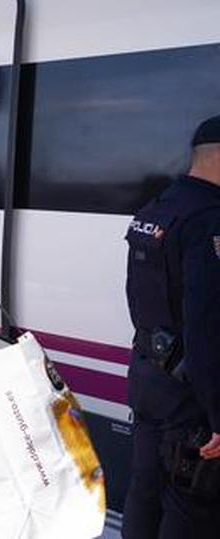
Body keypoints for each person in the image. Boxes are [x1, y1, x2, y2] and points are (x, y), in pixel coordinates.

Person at [122, 115, 220, 538]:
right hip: (188, 394)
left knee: (144, 492)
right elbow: (206, 326)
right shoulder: (210, 219)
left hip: (148, 375)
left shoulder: (156, 210)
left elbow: (135, 297)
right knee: (191, 505)